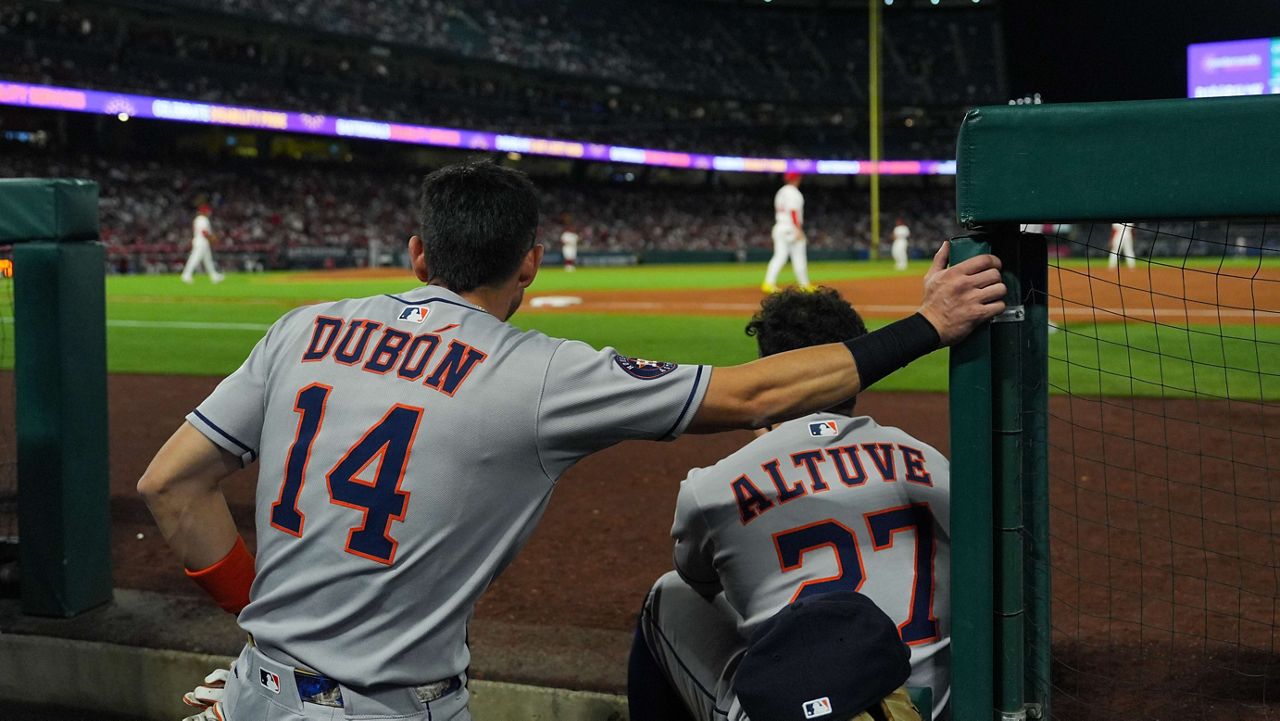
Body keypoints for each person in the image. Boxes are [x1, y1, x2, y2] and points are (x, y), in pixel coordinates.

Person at [140, 161, 1002, 721]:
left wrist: (276, 633)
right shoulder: (540, 370)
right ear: (531, 264)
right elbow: (753, 393)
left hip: (254, 688)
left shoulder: (302, 329)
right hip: (389, 707)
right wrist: (928, 323)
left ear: (414, 252)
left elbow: (171, 488)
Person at [629, 287, 952, 721]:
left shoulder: (712, 486)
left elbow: (699, 583)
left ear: (770, 367)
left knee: (666, 595)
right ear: (861, 365)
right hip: (924, 707)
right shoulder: (926, 459)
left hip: (803, 713)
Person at [761, 172, 810, 293]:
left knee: (779, 256)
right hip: (790, 227)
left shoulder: (781, 192)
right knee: (799, 256)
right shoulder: (793, 192)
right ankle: (804, 284)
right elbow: (793, 211)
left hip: (779, 226)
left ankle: (768, 283)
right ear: (797, 178)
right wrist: (798, 229)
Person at [182, 203, 225, 284]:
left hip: (201, 241)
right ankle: (186, 275)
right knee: (195, 258)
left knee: (208, 259)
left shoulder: (198, 219)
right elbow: (204, 232)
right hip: (201, 241)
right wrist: (212, 238)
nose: (208, 212)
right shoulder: (202, 219)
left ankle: (214, 276)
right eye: (207, 211)